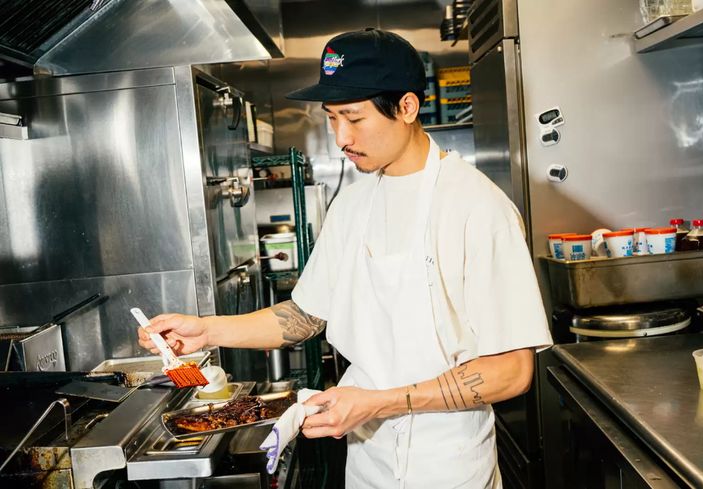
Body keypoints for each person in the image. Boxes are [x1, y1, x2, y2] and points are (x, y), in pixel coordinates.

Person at [139, 28, 552, 489]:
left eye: (353, 118)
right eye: (332, 118)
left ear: (408, 108)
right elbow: (306, 314)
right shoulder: (352, 205)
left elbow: (512, 371)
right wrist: (206, 330)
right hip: (366, 460)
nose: (340, 136)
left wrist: (380, 401)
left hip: (448, 464)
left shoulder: (479, 208)